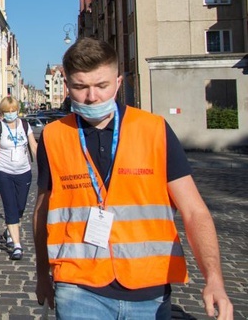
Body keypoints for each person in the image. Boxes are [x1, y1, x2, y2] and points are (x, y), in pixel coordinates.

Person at [33, 38, 233, 320]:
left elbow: (194, 210)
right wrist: (42, 273)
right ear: (67, 86)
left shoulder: (154, 130)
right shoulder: (54, 136)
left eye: (101, 86)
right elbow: (43, 210)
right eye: (80, 87)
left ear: (118, 81)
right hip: (79, 286)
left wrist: (214, 279)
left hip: (149, 288)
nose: (92, 97)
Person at [0, 96, 38, 260]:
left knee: (20, 206)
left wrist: (44, 164)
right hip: (3, 171)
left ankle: (10, 228)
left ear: (17, 111)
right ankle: (17, 245)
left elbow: (33, 146)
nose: (10, 114)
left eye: (13, 111)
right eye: (7, 111)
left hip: (23, 171)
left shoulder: (25, 125)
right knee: (10, 206)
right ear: (2, 112)